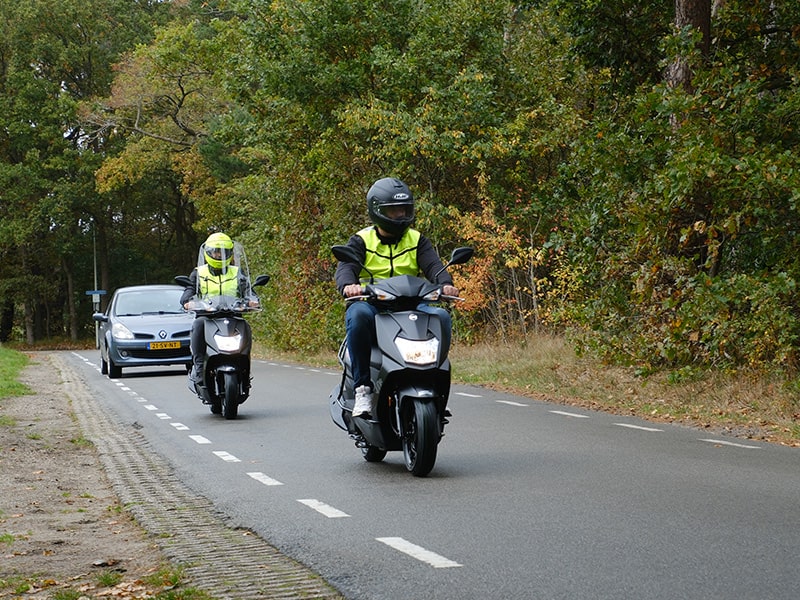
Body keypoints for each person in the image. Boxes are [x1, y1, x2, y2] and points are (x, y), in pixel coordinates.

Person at [334, 177, 459, 417]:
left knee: (441, 316)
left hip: (413, 303)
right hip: (373, 304)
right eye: (393, 211)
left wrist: (446, 285)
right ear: (377, 211)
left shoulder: (416, 239)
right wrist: (349, 285)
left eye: (403, 209)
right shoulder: (362, 240)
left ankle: (435, 388)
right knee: (357, 316)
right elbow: (346, 267)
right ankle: (362, 389)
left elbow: (434, 266)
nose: (400, 215)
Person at [180, 232, 253, 384]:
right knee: (198, 325)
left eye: (223, 252)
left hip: (232, 314)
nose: (219, 255)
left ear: (230, 253)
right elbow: (190, 289)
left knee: (245, 325)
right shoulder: (199, 272)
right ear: (208, 253)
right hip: (208, 315)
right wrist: (187, 301)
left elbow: (247, 289)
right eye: (216, 252)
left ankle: (245, 367)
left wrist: (252, 300)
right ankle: (199, 366)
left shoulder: (236, 272)